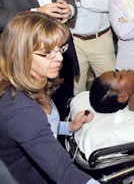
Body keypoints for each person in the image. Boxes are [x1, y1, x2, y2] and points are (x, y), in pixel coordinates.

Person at [0, 11, 98, 184]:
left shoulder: (37, 80)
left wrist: (69, 127)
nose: (60, 58)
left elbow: (41, 127)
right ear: (21, 54)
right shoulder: (20, 110)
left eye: (60, 48)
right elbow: (66, 174)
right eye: (48, 53)